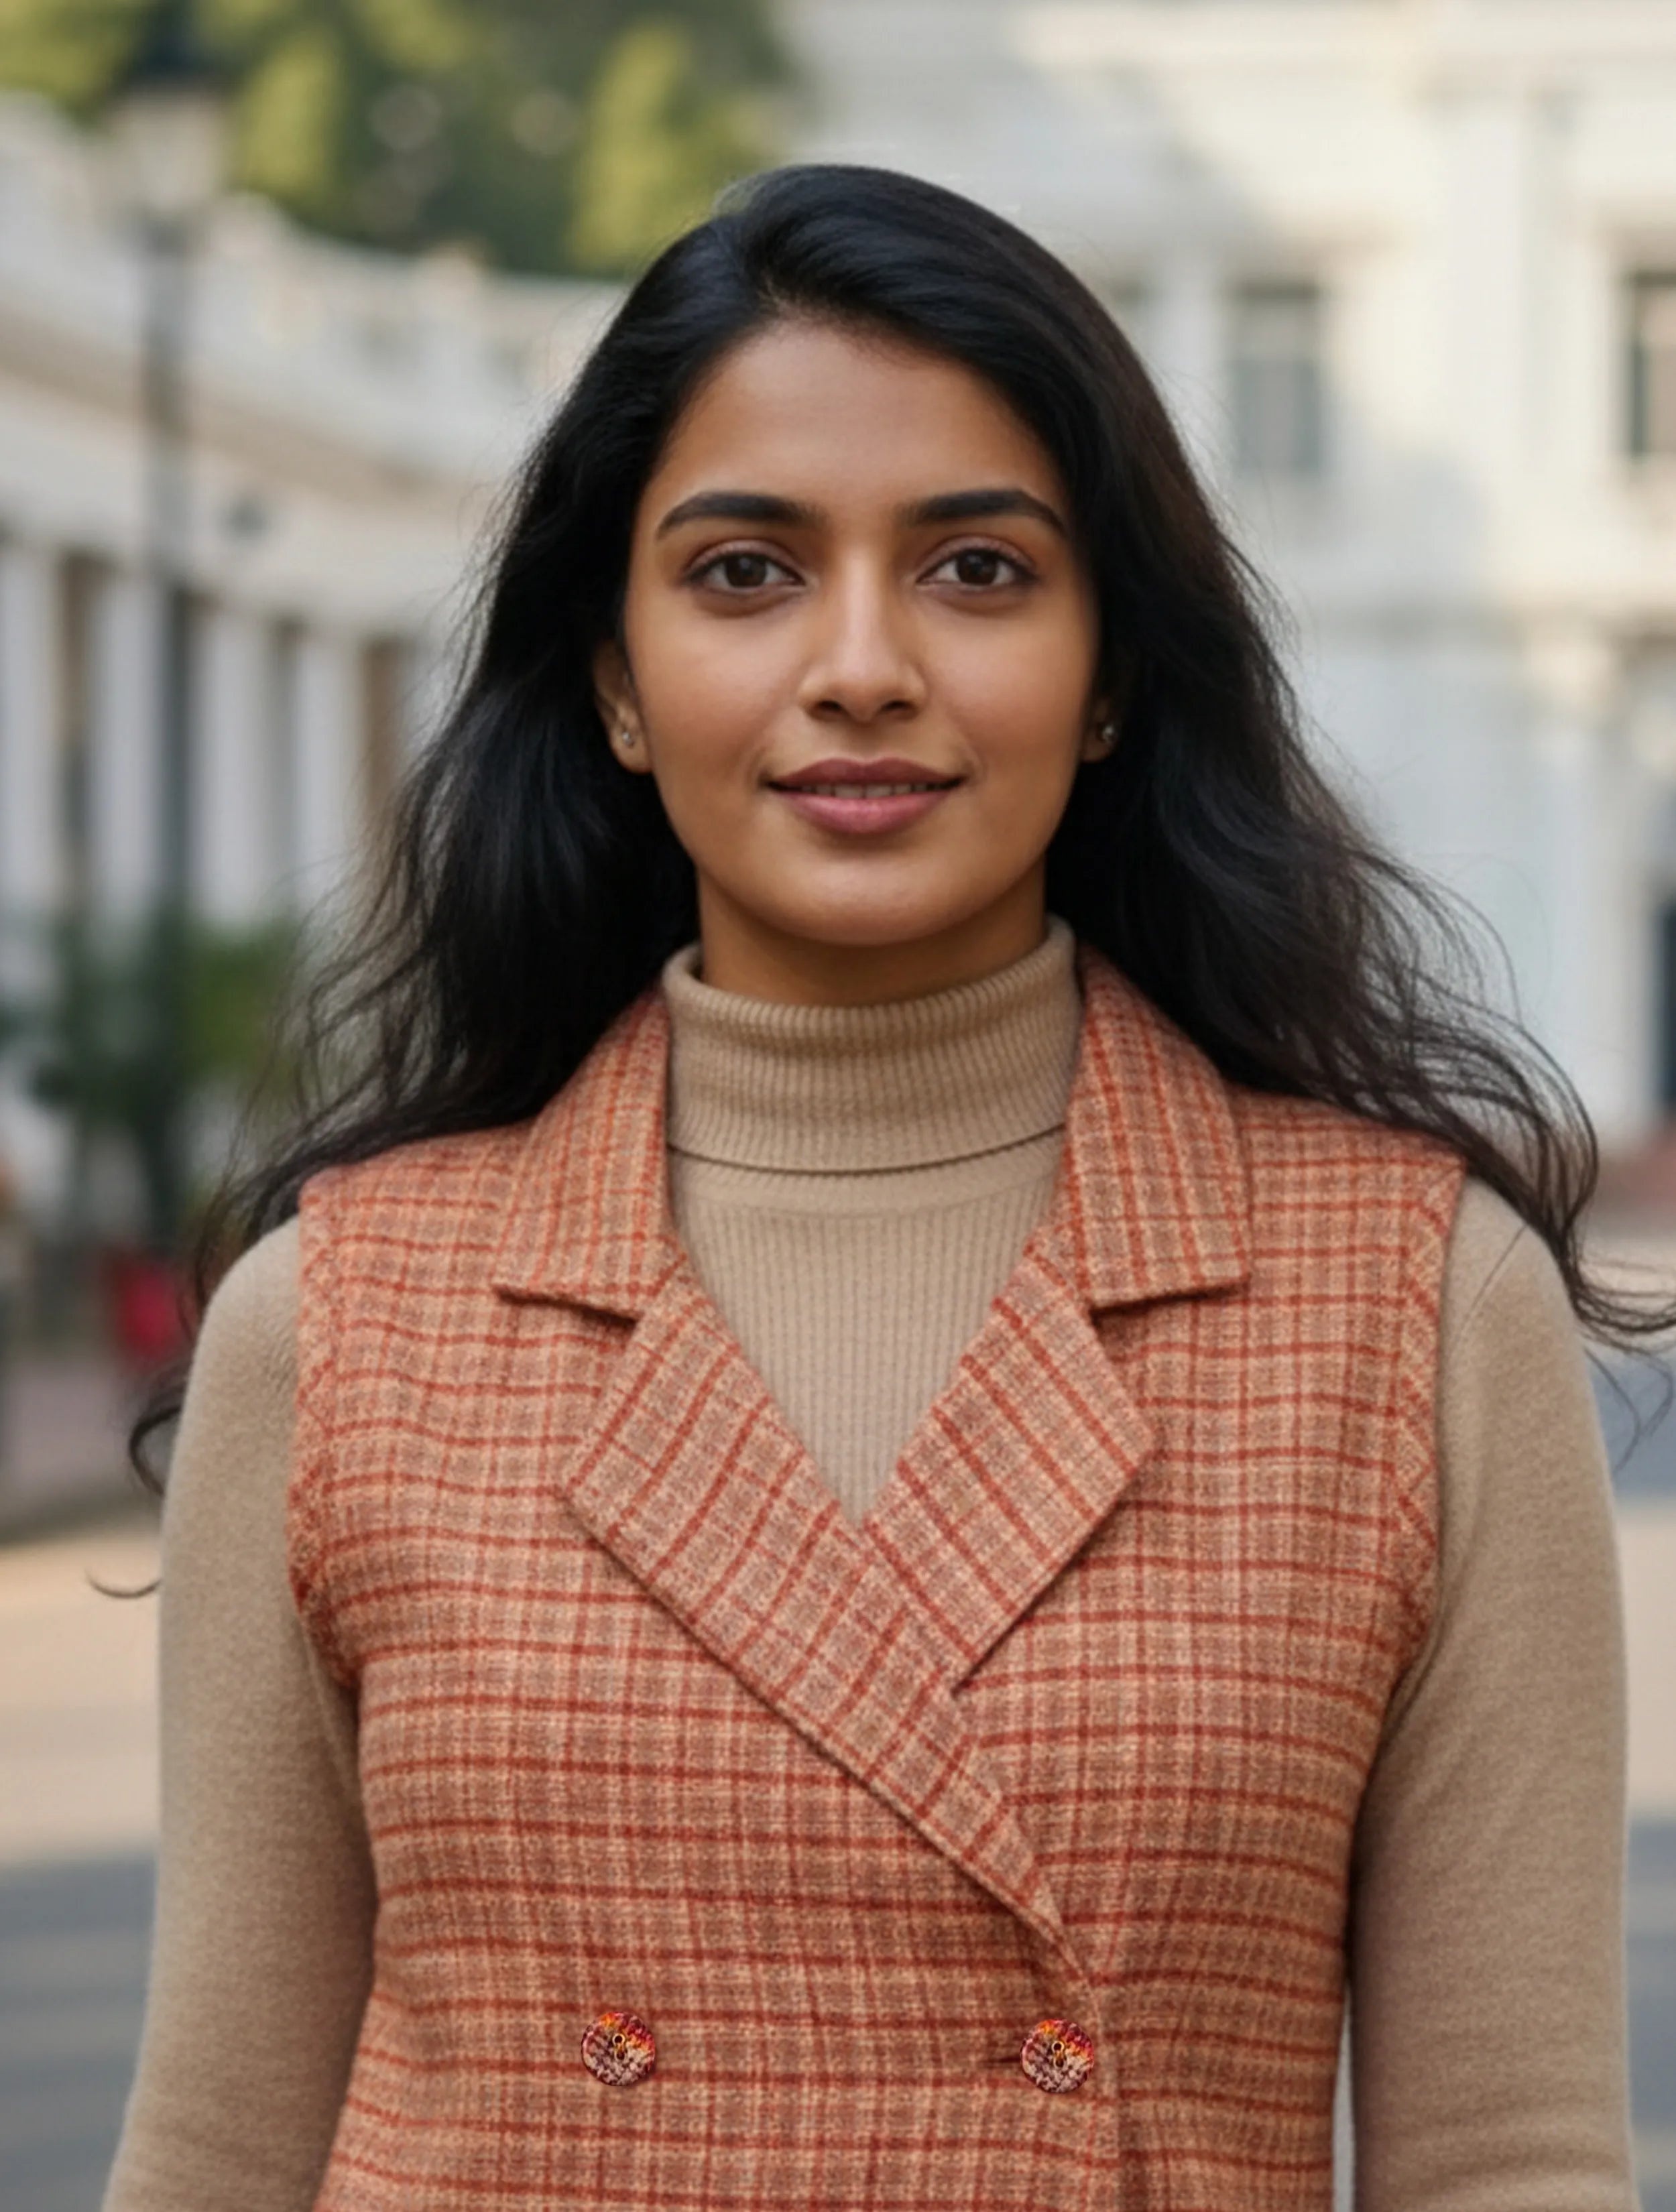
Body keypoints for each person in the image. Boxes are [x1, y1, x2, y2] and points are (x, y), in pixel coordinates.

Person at [102, 166, 1652, 2212]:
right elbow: (219, 2146)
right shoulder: (344, 1317)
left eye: (977, 572)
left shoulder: (1406, 1305)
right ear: (615, 678)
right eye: (744, 571)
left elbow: (1503, 2158)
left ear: (1109, 673)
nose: (859, 665)